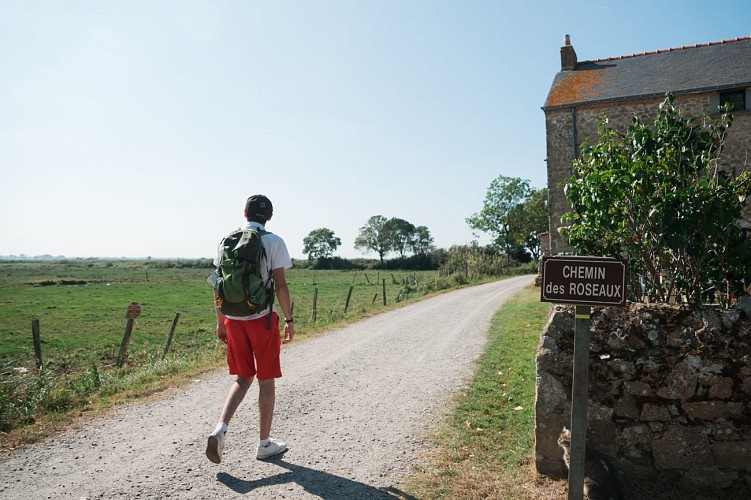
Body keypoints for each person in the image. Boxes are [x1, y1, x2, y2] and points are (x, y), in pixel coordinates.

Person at [205, 194, 295, 464]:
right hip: (262, 320)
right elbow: (280, 285)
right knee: (265, 380)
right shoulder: (274, 241)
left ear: (245, 212)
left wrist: (221, 322)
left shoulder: (225, 241)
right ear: (269, 217)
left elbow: (217, 284)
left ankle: (220, 429)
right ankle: (264, 443)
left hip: (234, 319)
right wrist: (290, 321)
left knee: (243, 377)